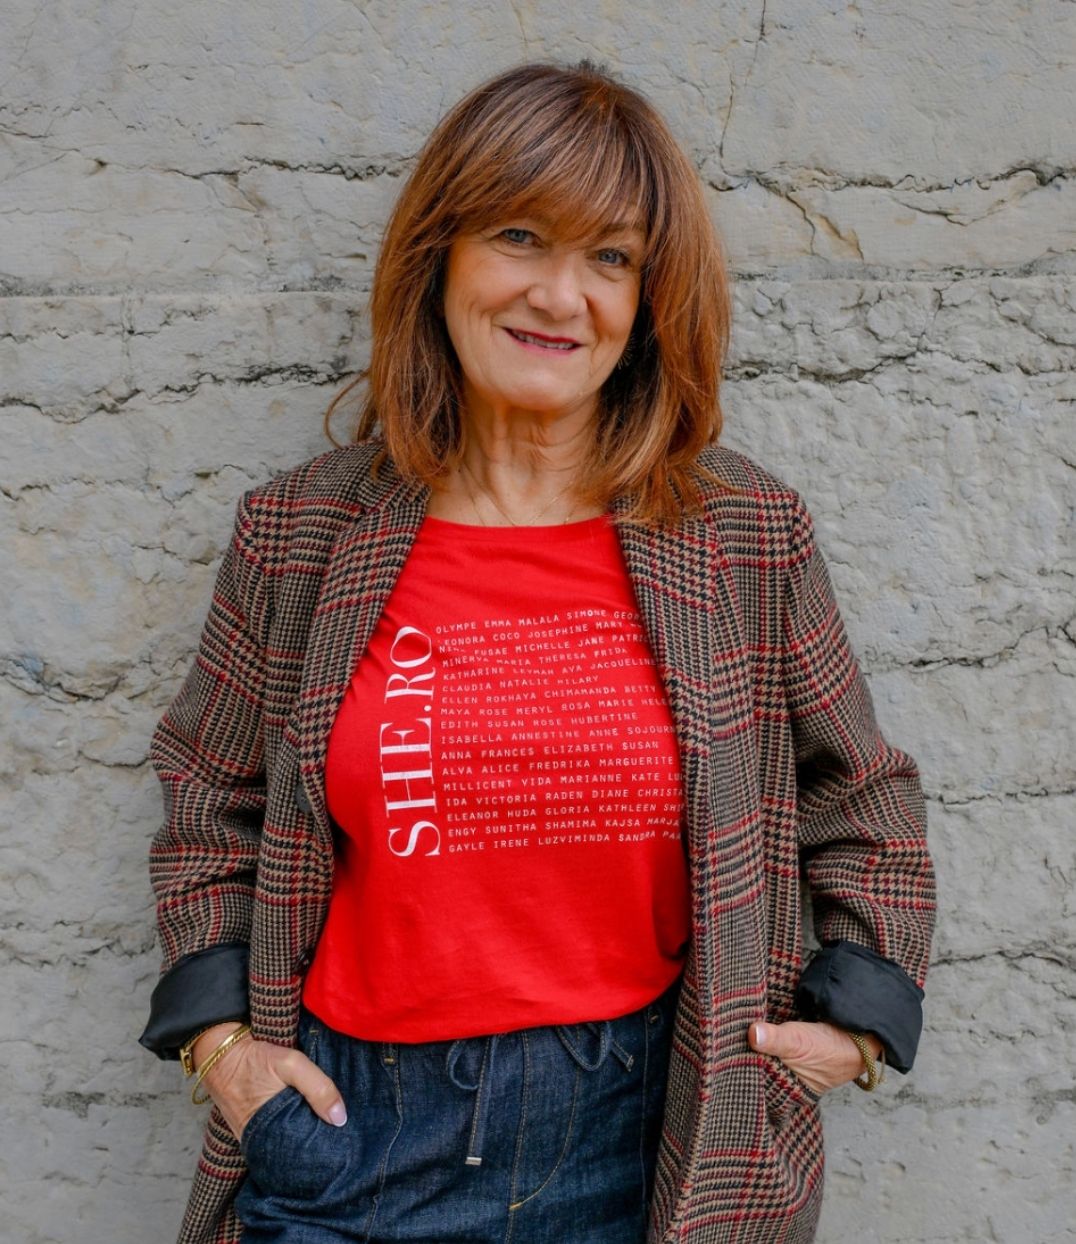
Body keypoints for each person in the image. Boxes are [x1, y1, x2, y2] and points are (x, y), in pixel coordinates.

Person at [140, 60, 936, 1244]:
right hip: (349, 1125)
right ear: (442, 256)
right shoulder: (302, 532)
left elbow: (860, 792)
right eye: (521, 236)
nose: (561, 295)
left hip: (648, 1133)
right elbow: (210, 795)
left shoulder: (737, 534)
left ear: (650, 295)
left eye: (610, 257)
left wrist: (854, 1025)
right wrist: (224, 1050)